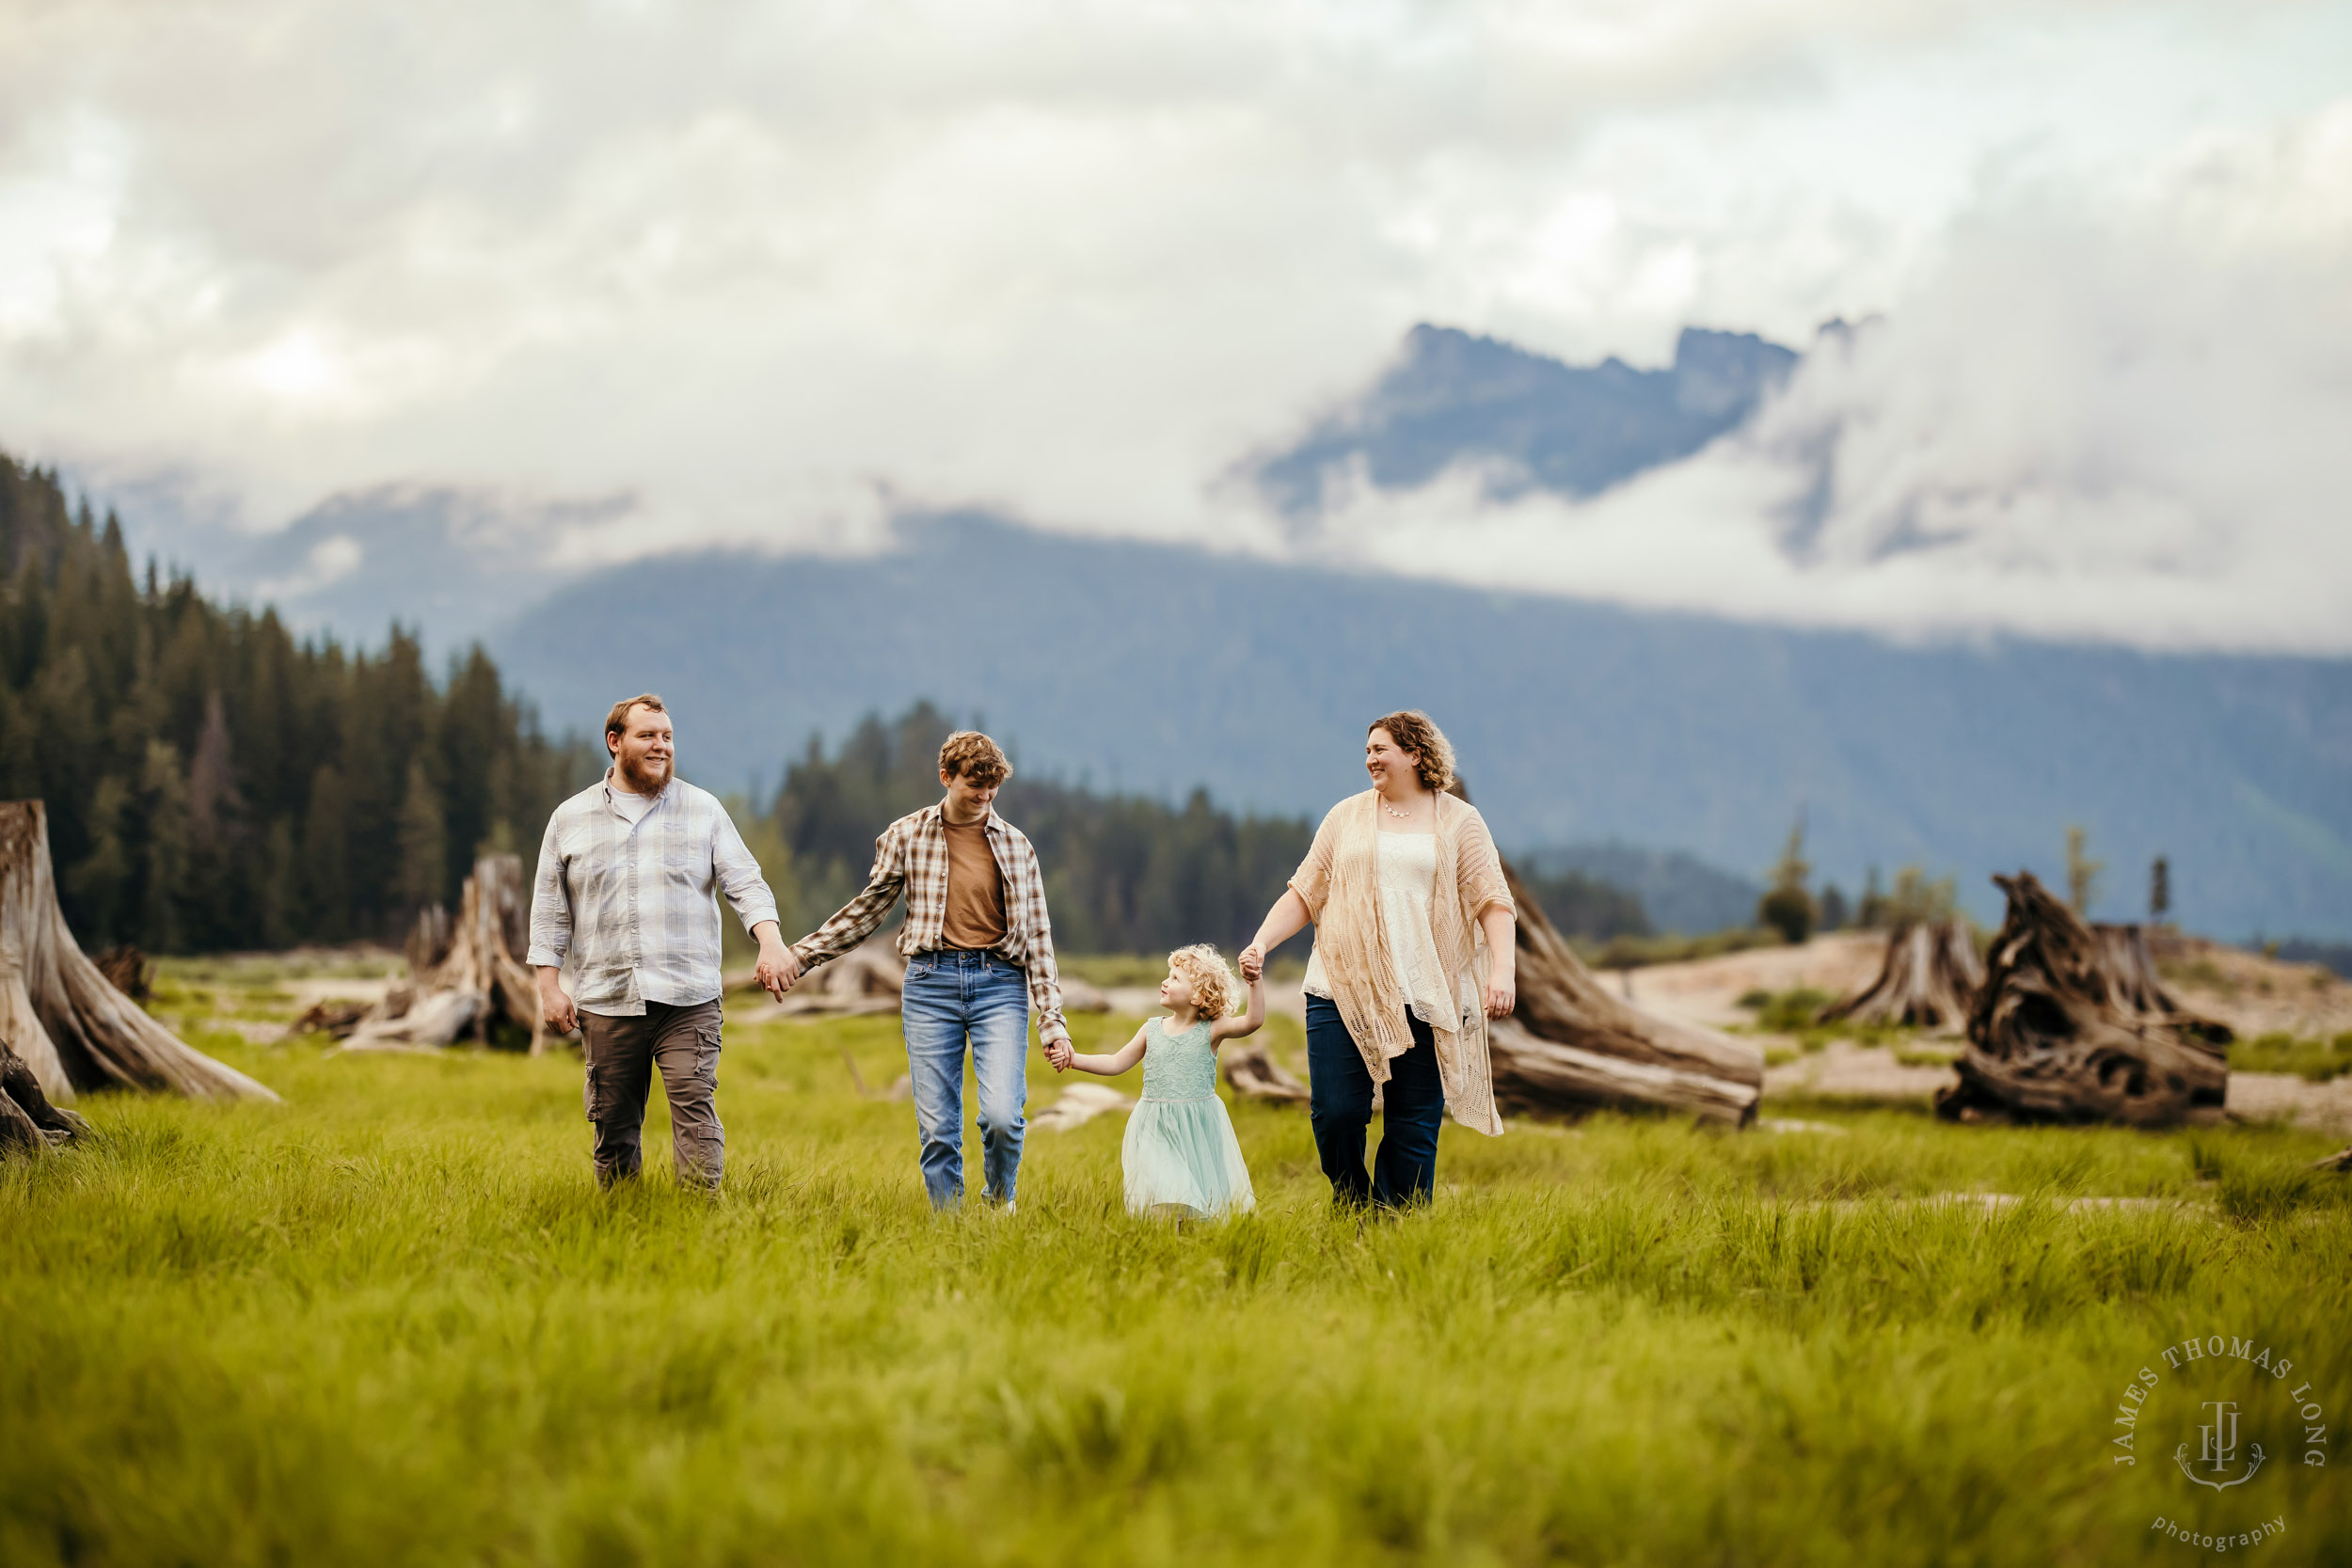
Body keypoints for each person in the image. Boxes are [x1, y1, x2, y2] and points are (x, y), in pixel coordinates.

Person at [777, 730, 1070, 1211]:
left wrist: (1052, 1020)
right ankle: (950, 1230)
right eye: (973, 787)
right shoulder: (907, 835)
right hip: (930, 985)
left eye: (992, 789)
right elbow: (868, 912)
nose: (983, 797)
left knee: (1002, 1117)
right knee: (937, 1128)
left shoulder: (1017, 846)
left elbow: (1039, 937)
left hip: (1000, 985)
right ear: (945, 777)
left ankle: (1000, 1204)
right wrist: (802, 956)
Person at [1238, 710, 1516, 1209]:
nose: (1370, 759)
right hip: (1340, 988)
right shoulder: (1345, 816)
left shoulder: (1459, 820)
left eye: (1380, 749)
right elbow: (1305, 893)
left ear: (1414, 754)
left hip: (1426, 993)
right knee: (1336, 1113)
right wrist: (1261, 943)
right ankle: (1352, 1202)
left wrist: (1502, 970)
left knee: (1413, 1124)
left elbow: (1492, 901)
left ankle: (1394, 1232)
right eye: (1367, 751)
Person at [527, 693, 793, 1190]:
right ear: (615, 743)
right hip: (607, 1000)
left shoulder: (703, 809)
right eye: (648, 736)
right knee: (614, 1128)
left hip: (688, 998)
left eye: (668, 737)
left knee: (696, 1114)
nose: (661, 746)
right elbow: (549, 910)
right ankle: (624, 1229)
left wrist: (770, 941)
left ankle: (697, 1226)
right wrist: (549, 986)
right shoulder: (569, 819)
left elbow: (745, 882)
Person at [1048, 944, 1263, 1220]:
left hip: (1196, 1125)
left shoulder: (1212, 1030)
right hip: (1154, 1124)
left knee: (1199, 1201)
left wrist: (1255, 983)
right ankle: (1165, 1245)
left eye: (1175, 979)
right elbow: (1115, 1063)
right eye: (1168, 975)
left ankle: (1187, 1249)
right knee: (1167, 1192)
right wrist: (1073, 1059)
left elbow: (1253, 1021)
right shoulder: (1150, 1029)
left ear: (1198, 995)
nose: (1165, 981)